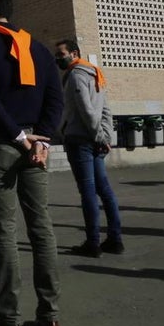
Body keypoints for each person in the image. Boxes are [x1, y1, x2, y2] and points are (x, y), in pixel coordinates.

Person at [0, 0, 64, 326]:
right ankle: (49, 317)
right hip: (36, 148)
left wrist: (18, 137)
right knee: (42, 228)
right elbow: (56, 100)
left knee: (3, 231)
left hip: (0, 144)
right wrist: (42, 141)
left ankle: (9, 322)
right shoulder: (39, 49)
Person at [55, 38, 123, 258]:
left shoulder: (76, 75)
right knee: (104, 190)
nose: (58, 58)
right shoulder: (95, 73)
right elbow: (106, 109)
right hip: (95, 139)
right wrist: (105, 136)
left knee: (88, 193)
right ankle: (115, 239)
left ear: (74, 54)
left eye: (61, 54)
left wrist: (98, 137)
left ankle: (93, 243)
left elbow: (87, 110)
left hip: (81, 140)